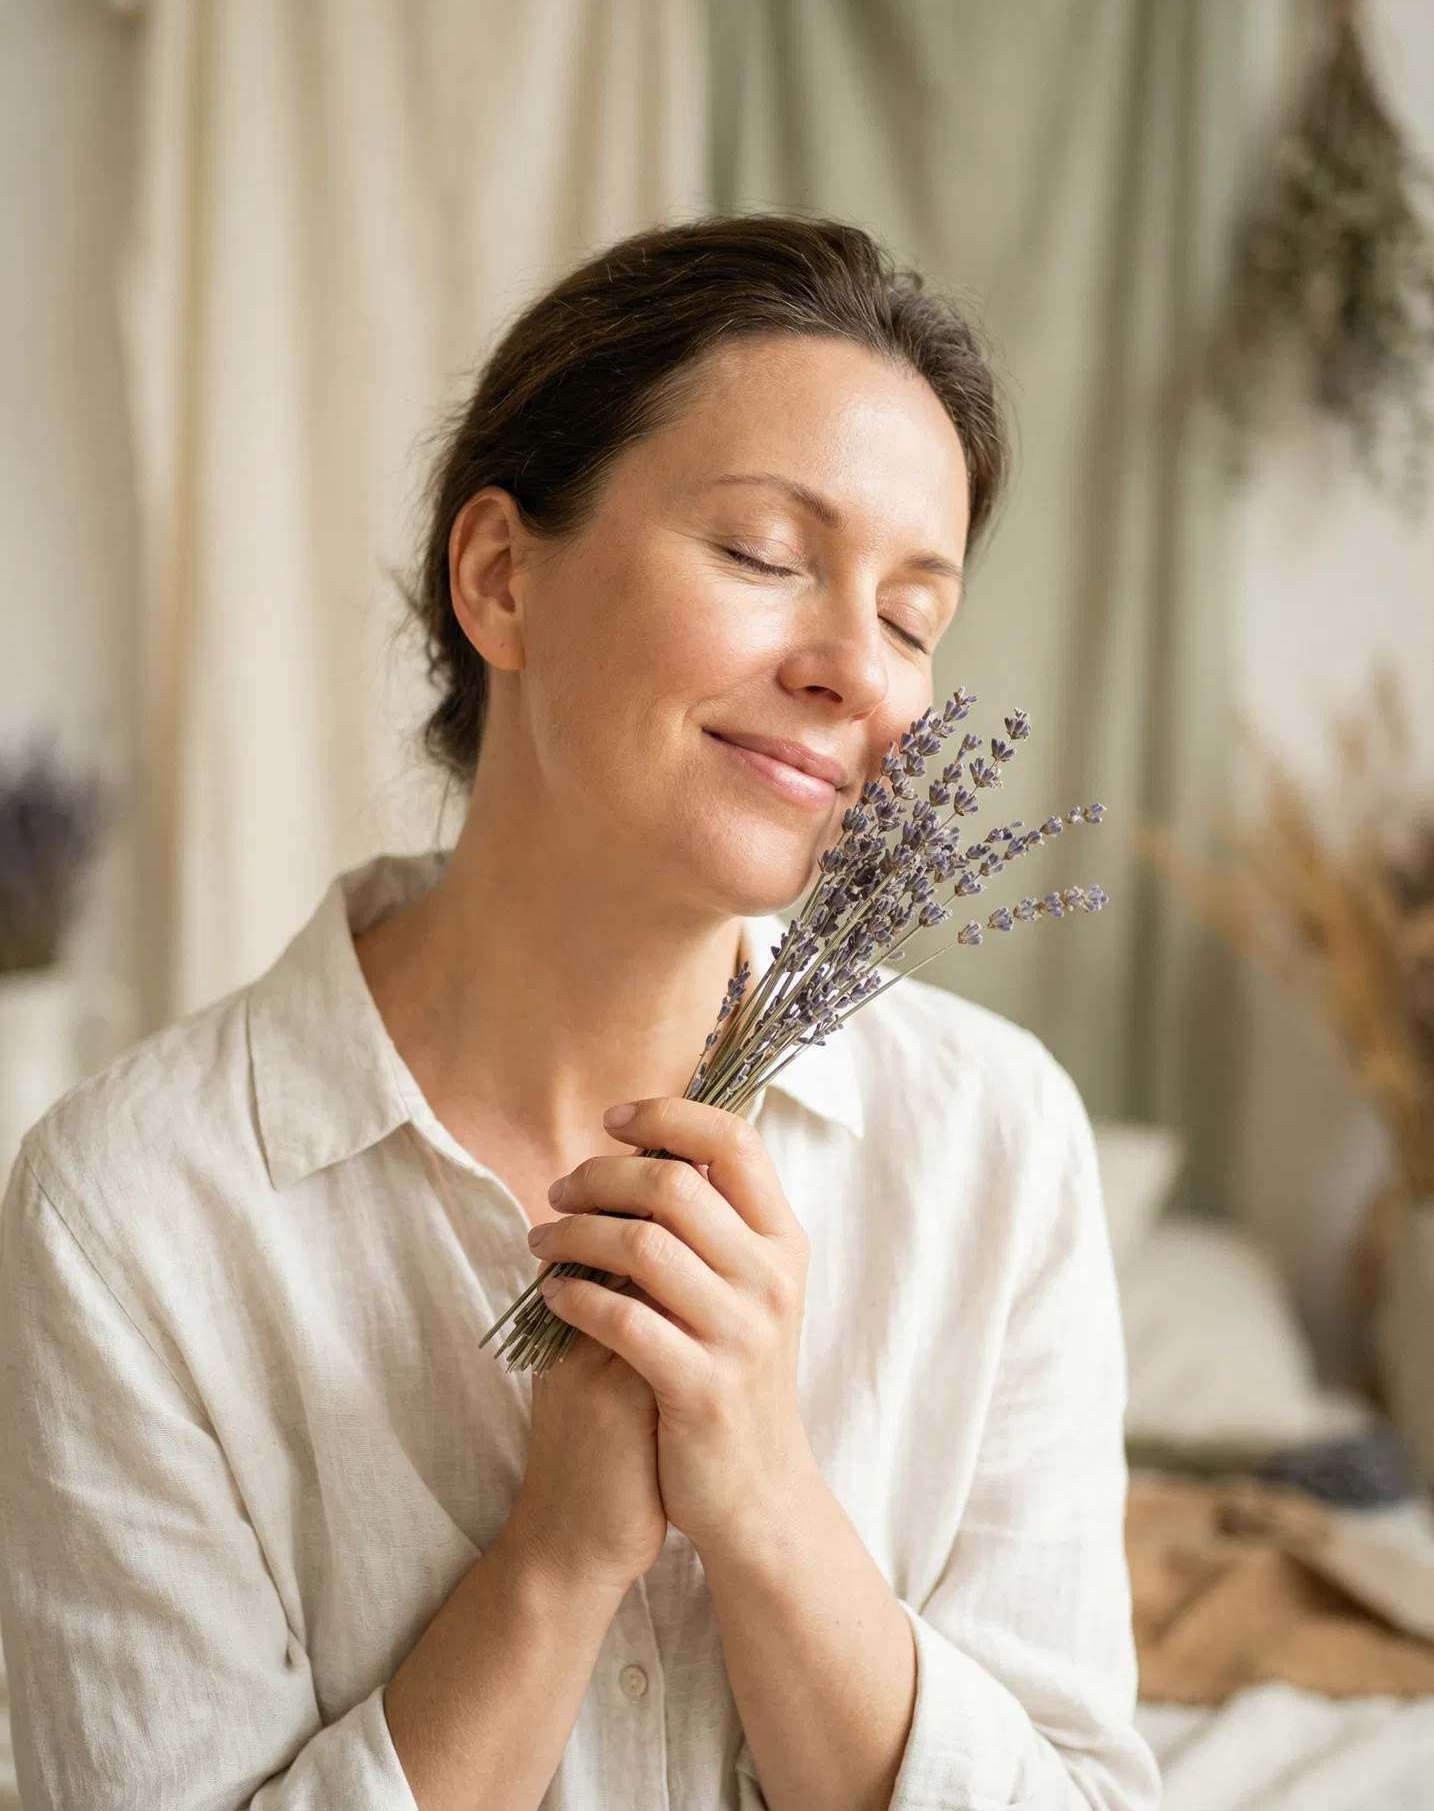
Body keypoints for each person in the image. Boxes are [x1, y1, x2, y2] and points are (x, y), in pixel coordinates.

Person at [0, 215, 1161, 1810]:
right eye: (764, 553)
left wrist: (761, 1499)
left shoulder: (999, 1144)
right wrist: (552, 1564)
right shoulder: (132, 1215)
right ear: (498, 578)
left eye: (912, 619)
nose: (859, 675)